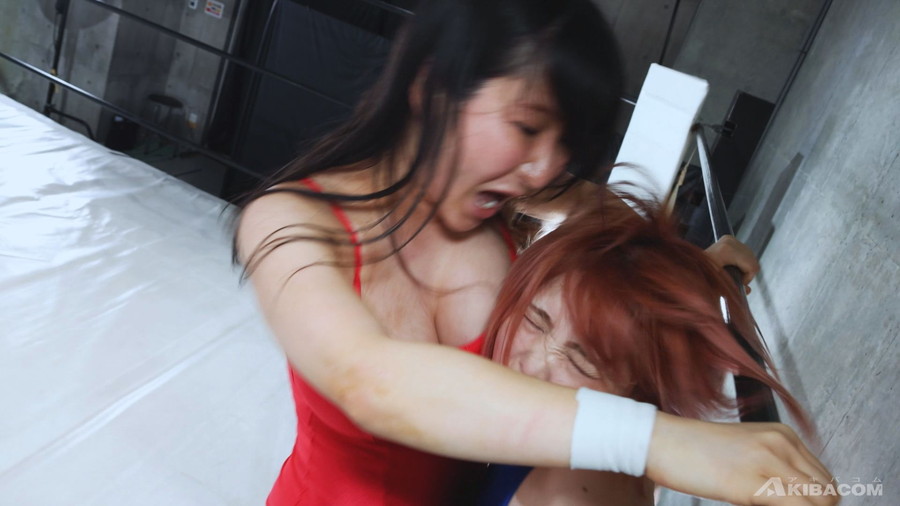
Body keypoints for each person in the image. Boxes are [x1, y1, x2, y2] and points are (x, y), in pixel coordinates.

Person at [234, 0, 835, 504]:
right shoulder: (287, 222)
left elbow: (623, 239)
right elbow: (367, 381)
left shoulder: (508, 196)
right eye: (526, 127)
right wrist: (656, 441)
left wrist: (692, 269)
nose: (545, 167)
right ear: (432, 86)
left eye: (562, 143)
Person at [476, 190, 816, 505]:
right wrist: (684, 278)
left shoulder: (567, 491)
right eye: (534, 322)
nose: (534, 366)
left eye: (582, 362)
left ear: (635, 390)